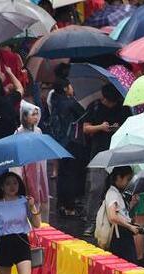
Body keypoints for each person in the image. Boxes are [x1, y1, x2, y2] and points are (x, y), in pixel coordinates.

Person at [82, 84, 130, 236]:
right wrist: (100, 127)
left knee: (118, 189)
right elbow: (86, 128)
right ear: (103, 97)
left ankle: (118, 219)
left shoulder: (123, 108)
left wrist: (118, 128)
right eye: (109, 102)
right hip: (99, 154)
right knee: (95, 189)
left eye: (113, 102)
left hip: (117, 154)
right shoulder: (95, 106)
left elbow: (128, 127)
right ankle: (91, 222)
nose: (111, 104)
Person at [47, 78, 86, 216]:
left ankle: (61, 204)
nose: (72, 87)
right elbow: (83, 114)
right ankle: (70, 206)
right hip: (71, 143)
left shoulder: (55, 101)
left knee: (62, 174)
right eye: (70, 85)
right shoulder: (70, 103)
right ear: (65, 88)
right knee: (71, 175)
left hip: (59, 142)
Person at [12, 100, 50, 221]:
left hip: (40, 170)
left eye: (36, 114)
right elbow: (16, 158)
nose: (35, 117)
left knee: (41, 196)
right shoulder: (18, 133)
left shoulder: (38, 131)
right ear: (24, 116)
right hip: (26, 171)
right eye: (32, 114)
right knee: (29, 198)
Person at [104, 166, 141, 263]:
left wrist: (132, 204)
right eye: (128, 179)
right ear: (119, 178)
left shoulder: (117, 193)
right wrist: (130, 227)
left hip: (122, 234)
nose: (129, 183)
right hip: (120, 236)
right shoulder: (113, 194)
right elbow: (113, 216)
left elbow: (121, 212)